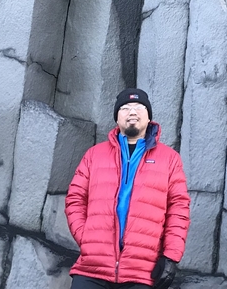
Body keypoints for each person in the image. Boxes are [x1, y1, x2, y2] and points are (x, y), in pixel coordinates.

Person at [65, 88, 190, 289]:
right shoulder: (94, 155)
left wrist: (171, 256)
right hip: (92, 269)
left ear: (149, 117)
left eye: (139, 107)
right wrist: (86, 237)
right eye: (125, 108)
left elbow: (179, 208)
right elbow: (75, 199)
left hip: (142, 272)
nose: (132, 112)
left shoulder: (170, 159)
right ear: (117, 118)